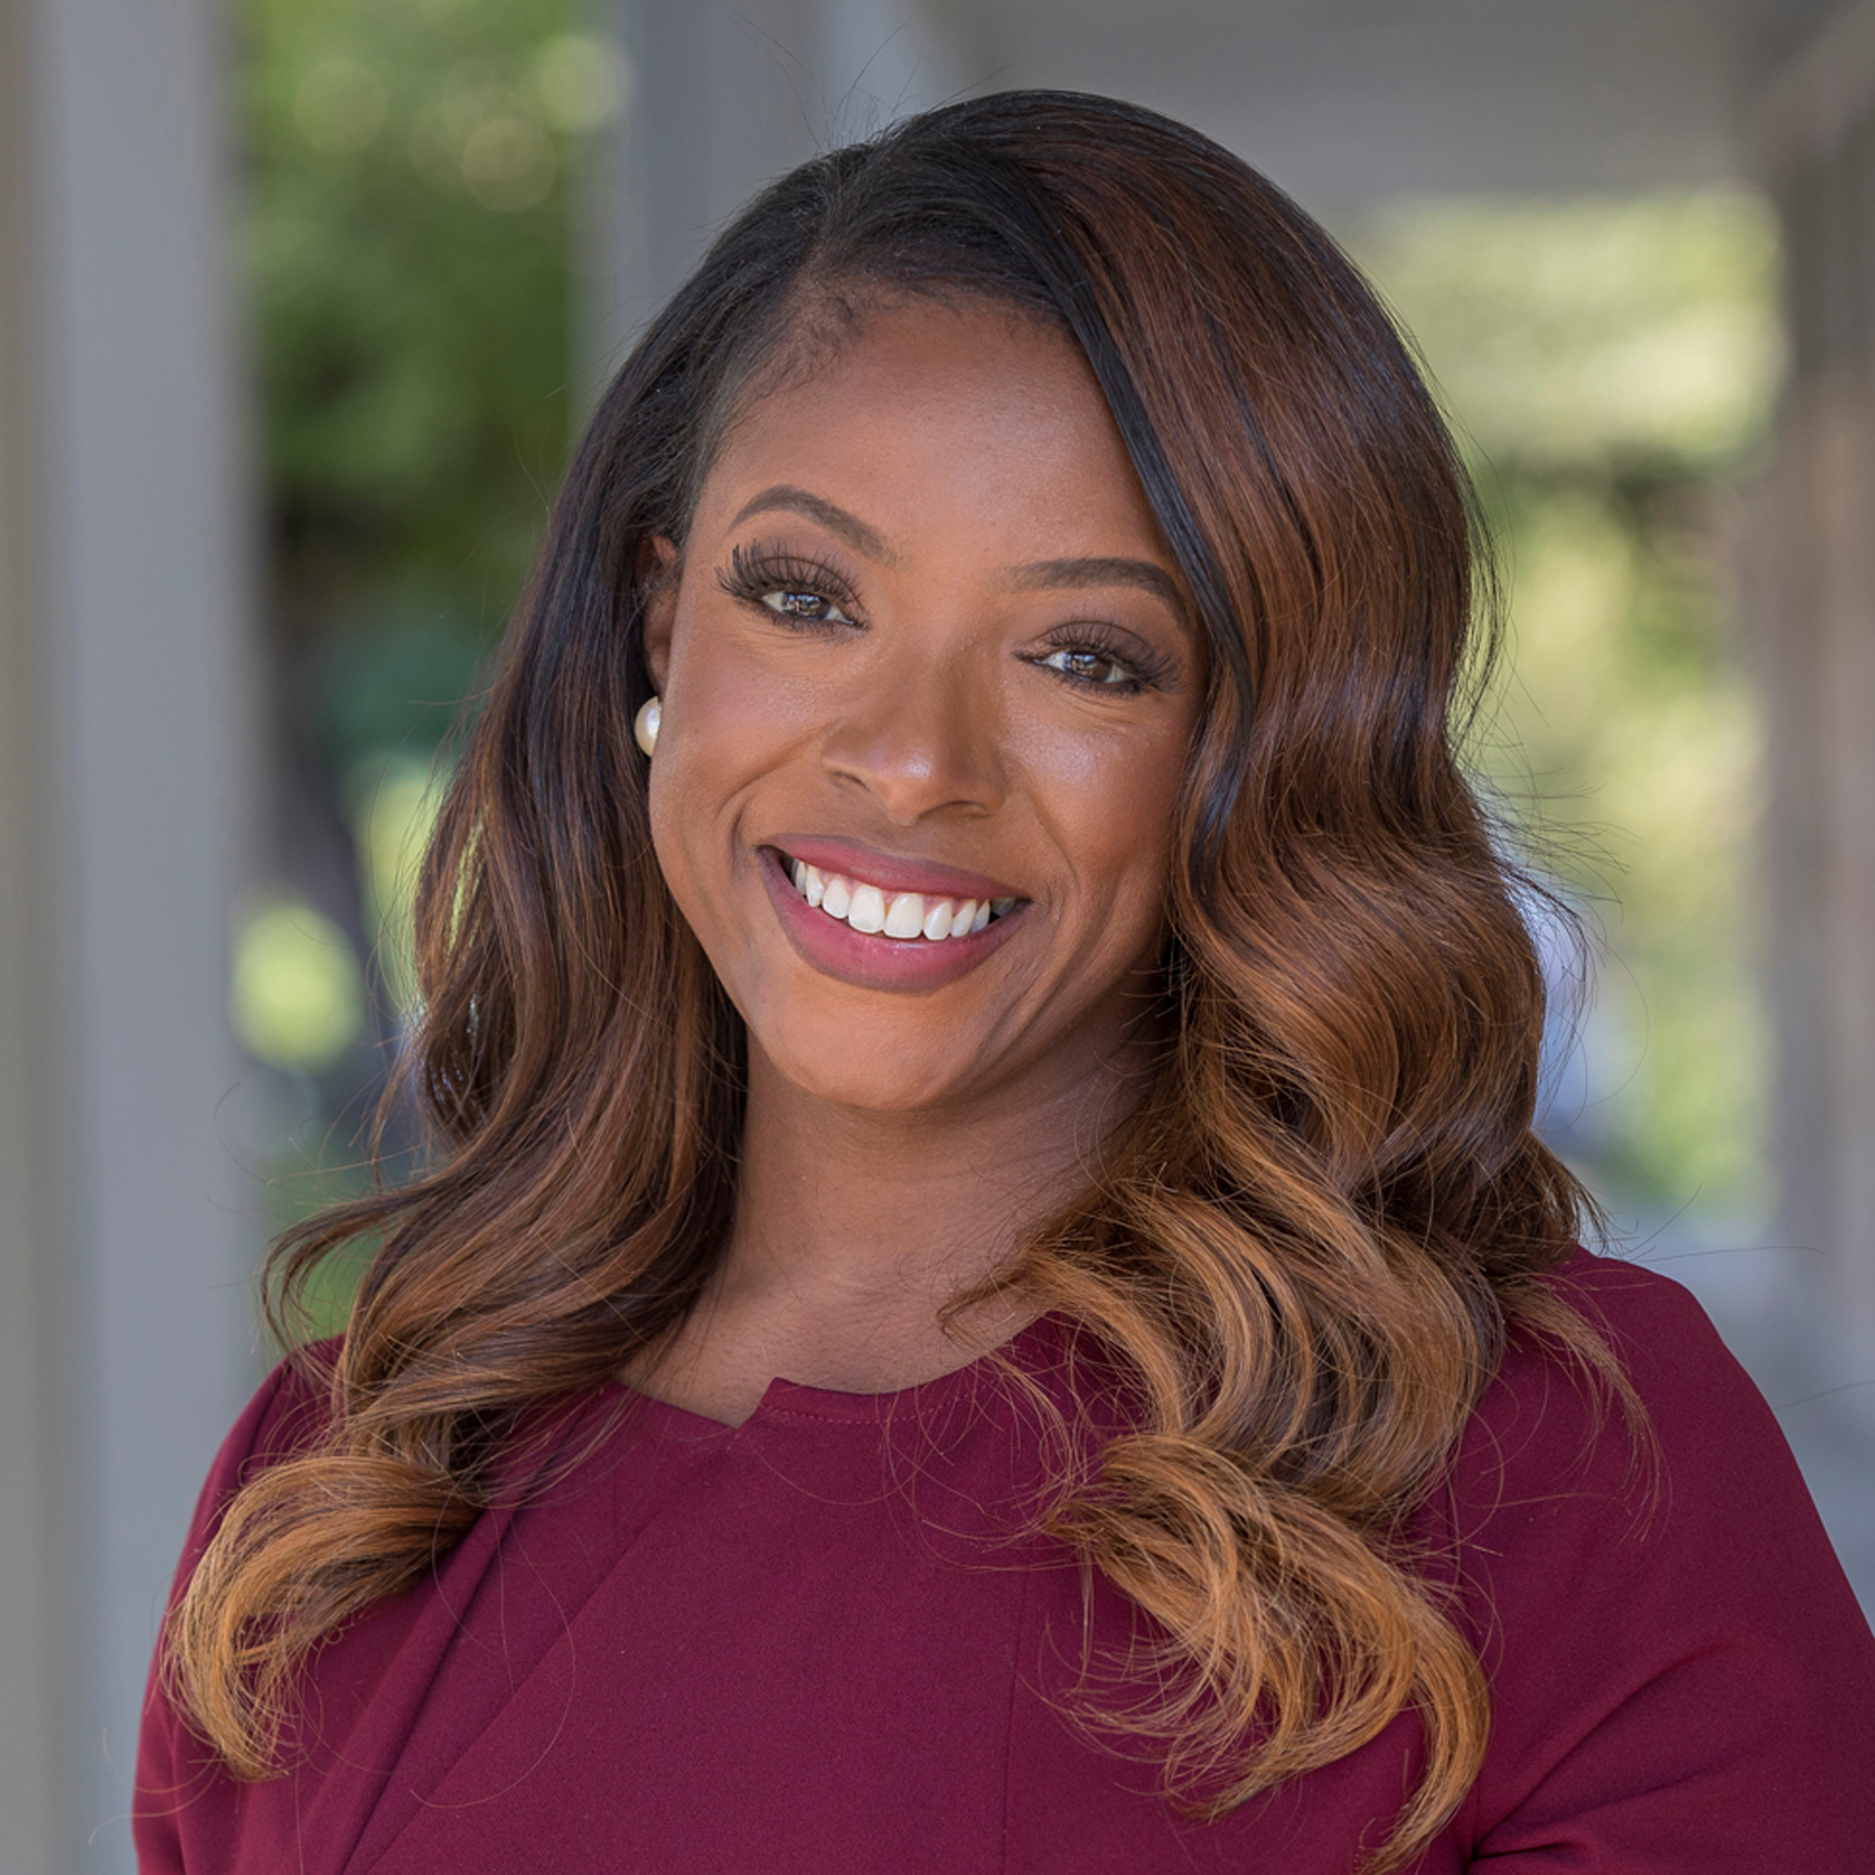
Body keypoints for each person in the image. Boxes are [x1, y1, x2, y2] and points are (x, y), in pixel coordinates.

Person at [135, 91, 1874, 1873]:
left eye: (1084, 654)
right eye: (807, 597)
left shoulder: (1560, 1474)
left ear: (1253, 745)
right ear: (663, 623)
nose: (908, 761)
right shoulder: (348, 1494)